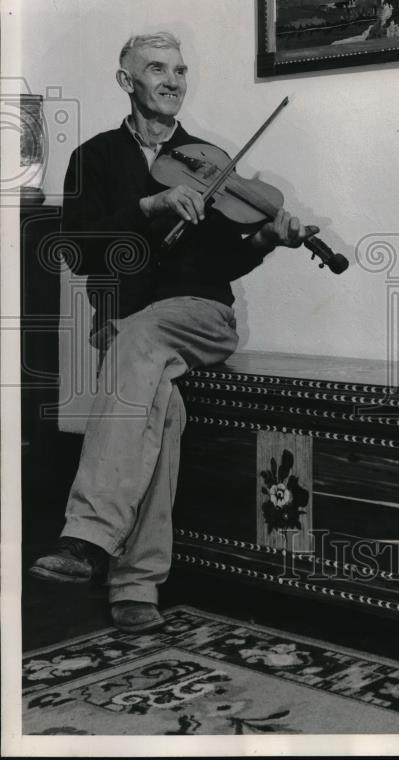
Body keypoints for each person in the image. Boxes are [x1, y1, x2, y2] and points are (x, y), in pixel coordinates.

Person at [29, 31, 318, 633]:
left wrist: (266, 239)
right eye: (157, 68)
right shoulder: (95, 158)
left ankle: (87, 535)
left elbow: (224, 263)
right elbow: (77, 252)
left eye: (181, 71)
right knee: (163, 406)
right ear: (125, 80)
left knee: (140, 339)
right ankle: (136, 587)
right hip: (131, 327)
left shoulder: (209, 160)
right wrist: (148, 208)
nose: (172, 80)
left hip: (202, 317)